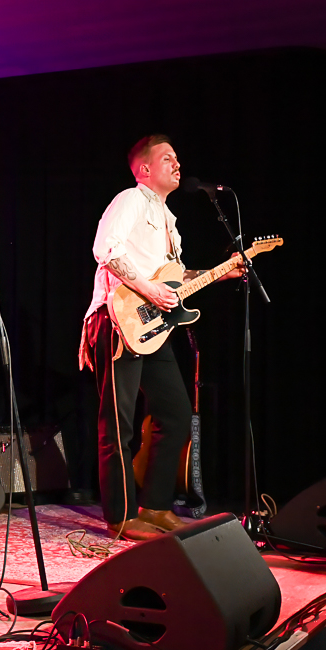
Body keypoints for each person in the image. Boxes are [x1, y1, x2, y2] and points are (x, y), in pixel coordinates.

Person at [79, 134, 241, 541]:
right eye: (167, 158)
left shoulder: (169, 219)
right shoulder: (130, 200)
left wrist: (221, 272)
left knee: (175, 413)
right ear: (145, 169)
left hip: (152, 328)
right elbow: (106, 250)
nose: (177, 163)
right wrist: (149, 290)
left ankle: (155, 505)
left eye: (177, 157)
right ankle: (121, 516)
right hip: (117, 321)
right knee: (118, 424)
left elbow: (175, 278)